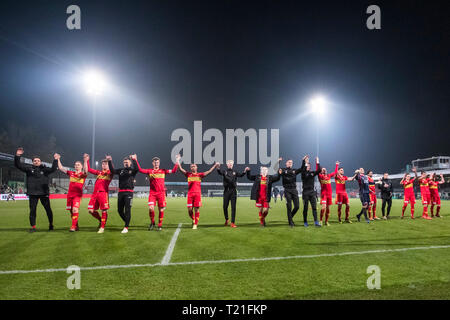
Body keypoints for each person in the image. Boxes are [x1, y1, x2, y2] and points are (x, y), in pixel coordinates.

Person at [14, 147, 58, 232]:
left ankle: (51, 224)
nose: (36, 162)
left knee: (48, 210)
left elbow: (53, 169)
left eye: (38, 160)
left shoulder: (45, 169)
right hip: (33, 193)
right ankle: (33, 227)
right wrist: (17, 155)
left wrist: (55, 160)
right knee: (32, 211)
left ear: (40, 162)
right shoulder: (29, 169)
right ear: (32, 162)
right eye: (35, 161)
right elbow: (18, 165)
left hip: (43, 193)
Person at [134, 154, 180, 231]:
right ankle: (152, 223)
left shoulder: (163, 171)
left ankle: (160, 224)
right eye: (155, 162)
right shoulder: (149, 171)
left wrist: (177, 160)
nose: (156, 163)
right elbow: (140, 170)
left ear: (159, 163)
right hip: (152, 193)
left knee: (161, 210)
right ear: (153, 163)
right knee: (151, 208)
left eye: (157, 162)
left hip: (161, 193)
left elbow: (174, 171)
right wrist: (135, 160)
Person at [178, 160, 219, 229]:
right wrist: (178, 160)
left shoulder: (200, 175)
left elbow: (208, 172)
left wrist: (214, 166)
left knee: (196, 209)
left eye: (194, 166)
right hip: (190, 194)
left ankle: (195, 224)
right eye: (191, 167)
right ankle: (193, 219)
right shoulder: (188, 174)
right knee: (189, 210)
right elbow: (180, 169)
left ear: (196, 167)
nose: (192, 167)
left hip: (197, 194)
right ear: (190, 168)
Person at [55, 153, 87, 232]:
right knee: (71, 211)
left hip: (78, 195)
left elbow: (86, 171)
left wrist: (85, 161)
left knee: (75, 209)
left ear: (81, 166)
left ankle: (73, 226)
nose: (76, 166)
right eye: (75, 165)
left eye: (78, 165)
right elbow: (61, 168)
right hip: (70, 195)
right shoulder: (71, 173)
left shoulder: (83, 174)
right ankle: (76, 225)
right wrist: (58, 159)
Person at [84, 153, 114, 233]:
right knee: (90, 210)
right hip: (95, 194)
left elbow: (112, 169)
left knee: (104, 210)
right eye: (103, 164)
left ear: (108, 165)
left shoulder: (110, 173)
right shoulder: (99, 173)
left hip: (103, 193)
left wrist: (110, 161)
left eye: (105, 164)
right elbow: (89, 169)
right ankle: (100, 220)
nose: (104, 165)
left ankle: (102, 227)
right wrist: (87, 160)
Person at [109, 156, 139, 233]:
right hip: (121, 192)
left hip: (129, 192)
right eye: (124, 162)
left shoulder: (132, 171)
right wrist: (109, 161)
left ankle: (126, 227)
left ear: (130, 163)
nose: (125, 163)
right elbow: (112, 171)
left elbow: (137, 169)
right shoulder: (120, 170)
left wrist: (134, 159)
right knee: (119, 210)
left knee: (127, 210)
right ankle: (127, 222)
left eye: (127, 162)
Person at [216, 160, 246, 227]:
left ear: (232, 164)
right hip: (226, 191)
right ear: (227, 165)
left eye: (231, 164)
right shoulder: (224, 171)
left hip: (233, 191)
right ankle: (227, 219)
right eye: (229, 164)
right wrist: (218, 167)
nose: (230, 165)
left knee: (233, 207)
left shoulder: (235, 172)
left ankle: (232, 222)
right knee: (225, 207)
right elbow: (219, 172)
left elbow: (241, 175)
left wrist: (245, 171)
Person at [274, 157, 302, 227]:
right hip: (287, 190)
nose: (290, 163)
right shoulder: (283, 170)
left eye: (291, 163)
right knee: (289, 206)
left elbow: (301, 169)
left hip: (294, 190)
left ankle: (290, 217)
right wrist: (278, 162)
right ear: (286, 163)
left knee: (297, 206)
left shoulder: (294, 171)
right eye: (289, 162)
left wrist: (304, 161)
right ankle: (290, 222)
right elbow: (275, 169)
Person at [300, 156, 321, 227]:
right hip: (305, 193)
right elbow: (302, 170)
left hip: (312, 192)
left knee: (314, 208)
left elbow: (319, 170)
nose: (308, 167)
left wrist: (317, 162)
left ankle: (316, 222)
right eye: (307, 166)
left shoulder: (312, 173)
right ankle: (305, 222)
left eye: (309, 166)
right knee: (305, 208)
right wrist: (304, 162)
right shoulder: (303, 173)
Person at [318, 160, 339, 226]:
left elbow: (335, 172)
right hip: (324, 194)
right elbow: (317, 170)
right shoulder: (320, 176)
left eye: (325, 169)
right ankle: (321, 220)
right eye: (323, 170)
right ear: (321, 171)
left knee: (328, 209)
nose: (324, 170)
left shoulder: (329, 176)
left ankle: (326, 221)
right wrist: (317, 163)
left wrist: (337, 165)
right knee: (323, 207)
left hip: (329, 194)